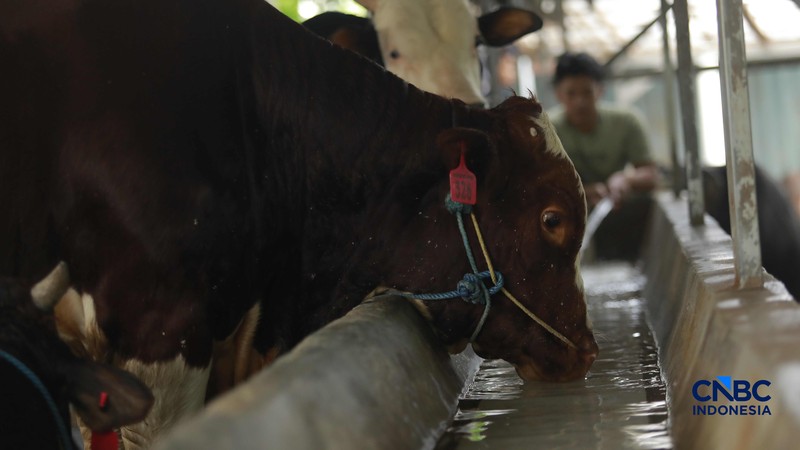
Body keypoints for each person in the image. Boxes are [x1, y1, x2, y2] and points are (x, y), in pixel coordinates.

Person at [550, 52, 659, 260]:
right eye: (571, 94)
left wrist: (626, 179)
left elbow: (651, 174)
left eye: (587, 93)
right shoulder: (547, 130)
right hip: (568, 216)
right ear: (558, 94)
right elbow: (538, 185)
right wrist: (580, 192)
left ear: (600, 91)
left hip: (618, 213)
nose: (580, 102)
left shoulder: (627, 122)